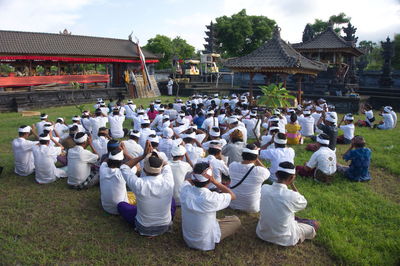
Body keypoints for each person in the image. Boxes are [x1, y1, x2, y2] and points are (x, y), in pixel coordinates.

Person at [118, 143, 176, 237]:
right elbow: (166, 165)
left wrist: (144, 155)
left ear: (144, 170)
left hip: (143, 227)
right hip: (165, 226)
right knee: (172, 200)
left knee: (121, 205)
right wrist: (155, 154)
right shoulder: (169, 181)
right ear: (160, 168)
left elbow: (124, 167)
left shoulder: (139, 183)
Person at [180, 162, 241, 251]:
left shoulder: (184, 190)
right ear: (209, 180)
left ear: (193, 177)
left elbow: (187, 181)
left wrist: (196, 176)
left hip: (188, 238)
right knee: (236, 220)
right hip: (205, 242)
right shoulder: (211, 198)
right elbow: (232, 195)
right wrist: (214, 180)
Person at [256, 162, 319, 246]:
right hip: (285, 239)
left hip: (262, 234)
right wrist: (292, 184)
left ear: (276, 174)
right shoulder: (292, 196)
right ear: (292, 177)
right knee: (314, 224)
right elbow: (303, 202)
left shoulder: (264, 188)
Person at [229, 144, 270, 213]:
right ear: (256, 157)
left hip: (233, 204)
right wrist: (257, 160)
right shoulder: (260, 171)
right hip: (252, 208)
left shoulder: (232, 165)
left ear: (242, 155)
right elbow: (267, 173)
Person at [99, 148, 135, 215]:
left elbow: (105, 160)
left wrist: (114, 153)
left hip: (106, 207)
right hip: (121, 209)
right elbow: (137, 166)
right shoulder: (123, 173)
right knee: (135, 194)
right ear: (121, 162)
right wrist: (125, 153)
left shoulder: (102, 168)